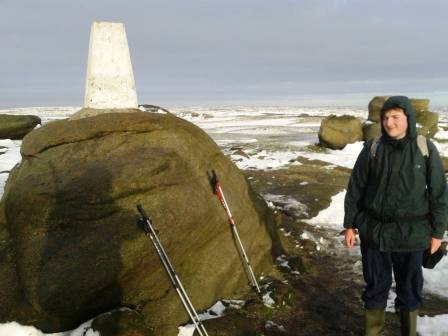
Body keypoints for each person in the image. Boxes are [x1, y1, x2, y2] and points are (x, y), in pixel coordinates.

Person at [343, 96, 448, 336]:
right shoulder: (373, 147)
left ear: (408, 119)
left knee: (409, 290)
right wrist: (350, 224)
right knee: (375, 288)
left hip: (411, 234)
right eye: (386, 117)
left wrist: (436, 232)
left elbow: (439, 194)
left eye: (395, 117)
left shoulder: (424, 148)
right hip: (375, 232)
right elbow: (356, 187)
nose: (390, 123)